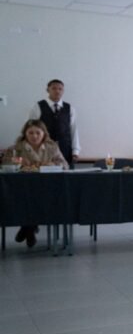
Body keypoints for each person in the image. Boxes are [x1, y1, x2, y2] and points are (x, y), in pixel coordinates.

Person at [10, 120, 68, 248]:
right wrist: (16, 163)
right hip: (22, 189)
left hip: (48, 189)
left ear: (44, 134)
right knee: (26, 198)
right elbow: (5, 165)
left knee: (39, 199)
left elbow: (65, 165)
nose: (34, 136)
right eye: (30, 133)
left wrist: (52, 164)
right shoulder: (17, 148)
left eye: (38, 132)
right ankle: (30, 228)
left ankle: (28, 228)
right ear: (25, 134)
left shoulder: (52, 146)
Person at [29, 79, 79, 168]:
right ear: (48, 90)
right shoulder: (38, 106)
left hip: (65, 149)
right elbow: (30, 130)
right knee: (45, 177)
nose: (57, 91)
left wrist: (75, 151)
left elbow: (73, 130)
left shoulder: (69, 108)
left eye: (60, 89)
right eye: (54, 88)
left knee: (66, 177)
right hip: (44, 149)